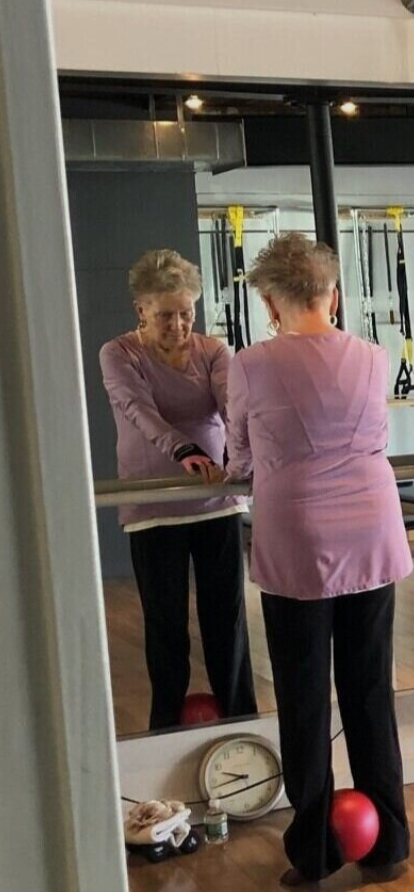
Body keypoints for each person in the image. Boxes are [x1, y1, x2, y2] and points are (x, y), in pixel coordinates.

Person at [226, 234, 412, 886]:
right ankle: (388, 846)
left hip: (297, 536)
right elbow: (377, 438)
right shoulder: (372, 356)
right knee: (370, 692)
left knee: (305, 697)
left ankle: (315, 852)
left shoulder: (249, 363)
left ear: (271, 304)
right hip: (371, 530)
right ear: (331, 294)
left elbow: (240, 459)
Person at [99, 248, 256, 731]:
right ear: (141, 310)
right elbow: (137, 410)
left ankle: (243, 724)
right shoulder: (119, 353)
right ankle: (164, 728)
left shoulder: (213, 351)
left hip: (216, 502)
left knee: (226, 624)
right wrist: (185, 450)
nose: (178, 324)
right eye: (165, 314)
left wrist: (240, 452)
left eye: (186, 312)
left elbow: (233, 404)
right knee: (165, 628)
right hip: (153, 505)